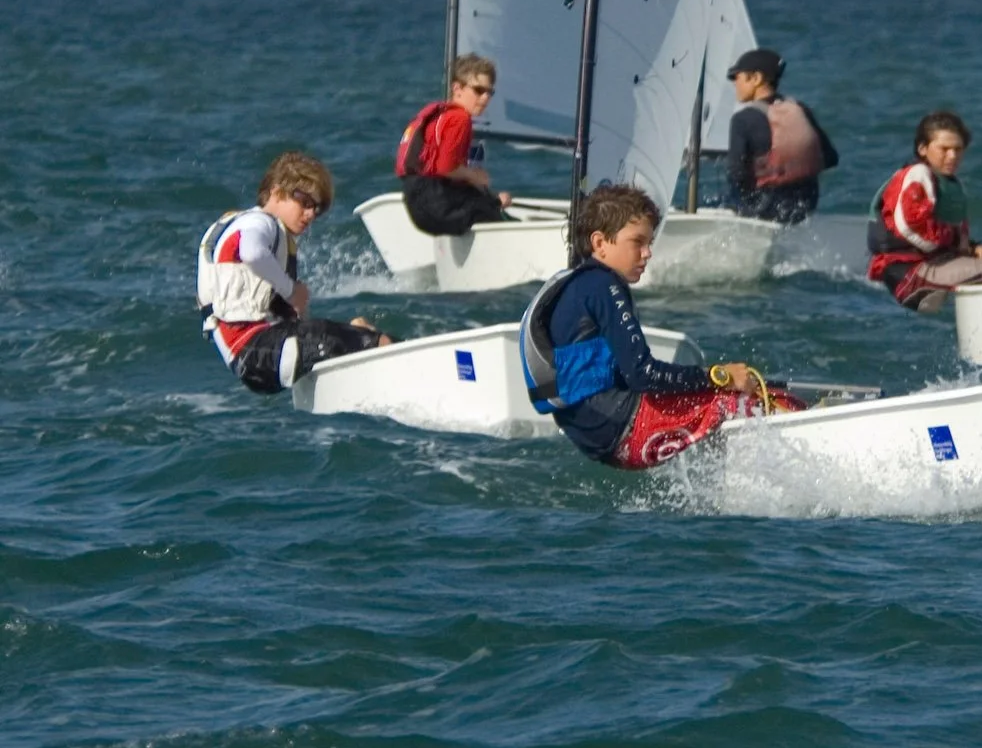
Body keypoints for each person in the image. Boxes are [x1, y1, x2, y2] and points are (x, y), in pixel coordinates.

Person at [521, 185, 797, 470]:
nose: (647, 253)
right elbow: (643, 374)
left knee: (739, 396)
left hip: (596, 433)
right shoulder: (604, 285)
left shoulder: (580, 284)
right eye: (637, 242)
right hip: (622, 428)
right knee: (746, 399)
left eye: (649, 243)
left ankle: (729, 477)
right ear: (600, 243)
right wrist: (720, 375)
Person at [197, 151, 391, 394]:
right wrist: (291, 291)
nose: (311, 214)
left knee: (353, 337)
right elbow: (252, 252)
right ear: (277, 192)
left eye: (317, 209)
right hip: (258, 353)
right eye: (305, 202)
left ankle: (361, 334)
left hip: (252, 360)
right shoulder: (260, 222)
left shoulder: (237, 223)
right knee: (376, 343)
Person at [870, 111, 982, 312]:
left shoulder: (950, 185)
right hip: (912, 273)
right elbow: (912, 228)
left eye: (958, 149)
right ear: (923, 149)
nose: (953, 156)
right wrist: (959, 243)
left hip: (940, 262)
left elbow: (952, 237)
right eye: (944, 149)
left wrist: (973, 247)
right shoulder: (918, 176)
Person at [396, 54, 514, 236]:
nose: (485, 98)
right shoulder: (460, 118)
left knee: (481, 199)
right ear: (457, 88)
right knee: (488, 210)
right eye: (478, 90)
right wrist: (476, 176)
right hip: (436, 202)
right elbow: (445, 168)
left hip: (415, 200)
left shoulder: (441, 115)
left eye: (490, 92)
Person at [723, 48, 838, 224]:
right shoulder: (800, 109)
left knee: (721, 200)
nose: (734, 83)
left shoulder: (743, 119)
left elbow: (736, 174)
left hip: (764, 209)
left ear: (756, 79)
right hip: (804, 207)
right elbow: (831, 158)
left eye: (737, 77)